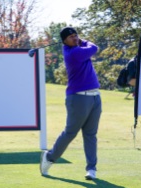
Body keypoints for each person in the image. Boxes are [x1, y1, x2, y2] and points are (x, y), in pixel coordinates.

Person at [40, 27, 102, 180]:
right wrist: (83, 41)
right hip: (78, 98)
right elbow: (94, 48)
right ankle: (49, 157)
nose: (75, 38)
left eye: (76, 36)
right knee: (70, 133)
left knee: (90, 135)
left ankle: (91, 169)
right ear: (64, 41)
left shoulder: (77, 49)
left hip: (95, 96)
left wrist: (80, 41)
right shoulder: (74, 52)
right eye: (71, 37)